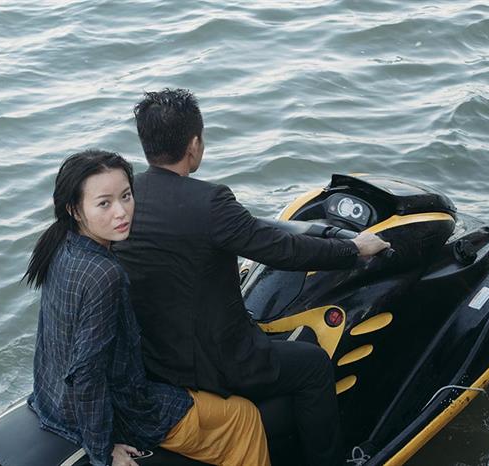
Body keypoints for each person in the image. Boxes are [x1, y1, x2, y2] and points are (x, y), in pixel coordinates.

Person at [113, 89, 390, 466]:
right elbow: (282, 250)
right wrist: (354, 249)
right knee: (313, 365)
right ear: (194, 145)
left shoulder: (124, 199)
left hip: (155, 357)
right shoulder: (211, 201)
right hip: (215, 364)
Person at [24, 149, 270, 466]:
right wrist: (103, 451)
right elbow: (87, 373)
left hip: (51, 401)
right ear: (75, 209)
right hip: (128, 412)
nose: (121, 212)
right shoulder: (105, 275)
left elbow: (52, 338)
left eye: (126, 196)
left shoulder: (60, 244)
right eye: (104, 203)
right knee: (244, 417)